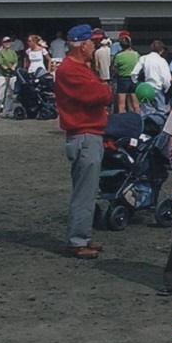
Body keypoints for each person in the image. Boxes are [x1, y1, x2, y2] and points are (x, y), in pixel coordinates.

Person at [54, 24, 113, 259]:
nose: (94, 47)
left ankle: (83, 236)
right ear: (83, 45)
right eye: (92, 43)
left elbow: (101, 92)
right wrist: (103, 87)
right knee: (84, 192)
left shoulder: (77, 67)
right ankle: (77, 240)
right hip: (85, 134)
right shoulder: (71, 69)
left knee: (88, 190)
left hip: (86, 134)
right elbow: (100, 95)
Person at [137, 39, 172, 114]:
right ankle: (159, 124)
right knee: (161, 111)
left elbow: (134, 72)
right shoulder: (162, 61)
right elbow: (166, 77)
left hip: (146, 88)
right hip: (158, 88)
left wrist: (137, 83)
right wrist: (166, 88)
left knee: (145, 112)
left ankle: (146, 125)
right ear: (161, 50)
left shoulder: (144, 58)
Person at [112, 34, 140, 113]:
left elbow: (115, 68)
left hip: (122, 79)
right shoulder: (136, 54)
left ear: (121, 46)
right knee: (136, 105)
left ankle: (122, 122)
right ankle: (139, 120)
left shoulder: (119, 56)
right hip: (133, 79)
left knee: (121, 105)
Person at [0, 37, 18, 117]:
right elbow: (0, 62)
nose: (8, 43)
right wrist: (6, 67)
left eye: (9, 41)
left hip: (11, 75)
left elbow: (16, 61)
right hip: (2, 74)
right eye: (6, 42)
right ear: (2, 43)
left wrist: (13, 67)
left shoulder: (13, 52)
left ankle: (7, 111)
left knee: (10, 94)